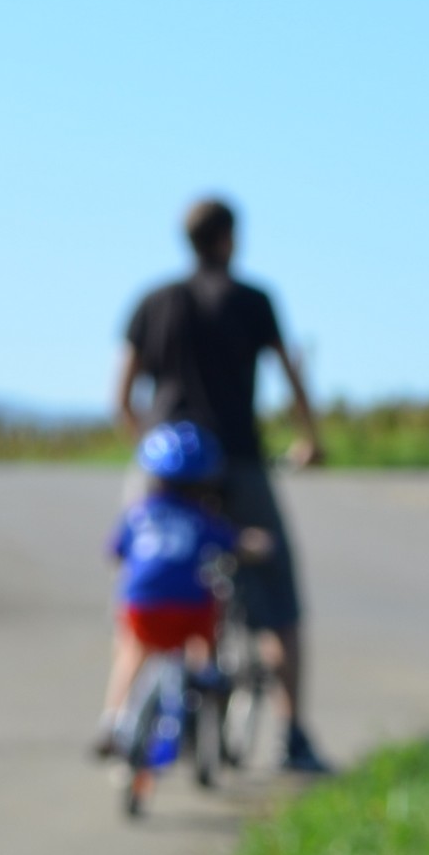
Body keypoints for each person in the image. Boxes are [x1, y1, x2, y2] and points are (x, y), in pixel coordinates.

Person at [114, 196, 330, 773]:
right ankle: (293, 738)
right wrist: (309, 440)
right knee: (278, 598)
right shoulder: (253, 300)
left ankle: (117, 720)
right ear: (229, 239)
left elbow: (123, 396)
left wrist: (148, 446)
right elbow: (289, 378)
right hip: (235, 459)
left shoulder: (154, 301)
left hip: (162, 467)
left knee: (145, 581)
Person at [96, 423, 268, 758]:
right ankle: (204, 677)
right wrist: (260, 545)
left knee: (133, 652)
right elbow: (236, 544)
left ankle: (113, 723)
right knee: (204, 632)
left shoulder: (138, 514)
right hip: (191, 609)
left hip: (141, 606)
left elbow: (114, 553)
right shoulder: (201, 518)